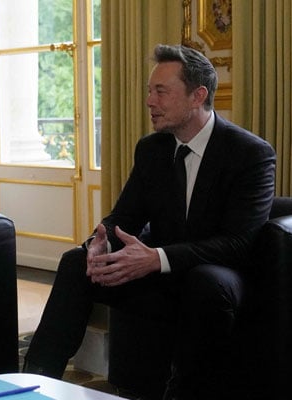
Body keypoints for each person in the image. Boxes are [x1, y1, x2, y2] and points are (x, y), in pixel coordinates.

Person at [23, 44, 276, 400]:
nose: (149, 101)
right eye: (149, 90)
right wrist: (101, 240)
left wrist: (156, 258)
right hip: (162, 271)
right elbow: (125, 216)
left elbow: (238, 244)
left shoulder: (250, 154)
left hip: (219, 273)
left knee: (205, 282)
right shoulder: (152, 149)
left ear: (197, 96)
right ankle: (33, 382)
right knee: (76, 262)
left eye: (161, 91)